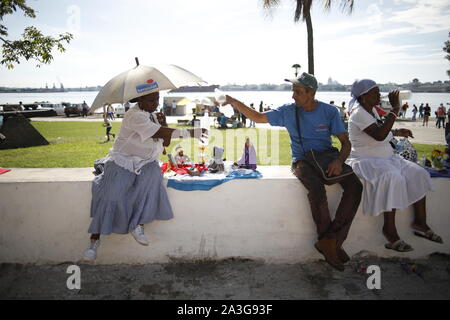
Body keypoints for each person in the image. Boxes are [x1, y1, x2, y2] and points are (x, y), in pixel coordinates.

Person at [221, 72, 363, 271]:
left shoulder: (329, 111)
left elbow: (345, 142)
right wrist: (233, 101)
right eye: (293, 91)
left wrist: (339, 161)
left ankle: (331, 240)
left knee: (355, 187)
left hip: (327, 157)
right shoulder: (288, 111)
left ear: (311, 93)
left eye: (298, 92)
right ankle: (330, 244)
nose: (293, 96)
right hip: (302, 161)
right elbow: (257, 117)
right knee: (316, 188)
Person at [83, 91, 208, 260]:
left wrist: (163, 124)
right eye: (151, 100)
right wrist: (191, 133)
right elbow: (158, 133)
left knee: (151, 181)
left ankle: (137, 225)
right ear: (139, 99)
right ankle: (95, 239)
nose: (155, 103)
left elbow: (165, 143)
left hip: (146, 162)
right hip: (123, 160)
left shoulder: (152, 115)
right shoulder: (134, 116)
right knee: (111, 194)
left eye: (157, 99)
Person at [346, 79, 442, 252]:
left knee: (419, 174)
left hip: (387, 158)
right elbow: (378, 135)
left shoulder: (372, 110)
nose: (379, 94)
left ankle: (420, 223)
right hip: (367, 160)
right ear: (364, 96)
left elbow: (379, 131)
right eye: (375, 91)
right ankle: (389, 230)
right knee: (392, 177)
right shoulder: (358, 113)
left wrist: (396, 132)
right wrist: (396, 109)